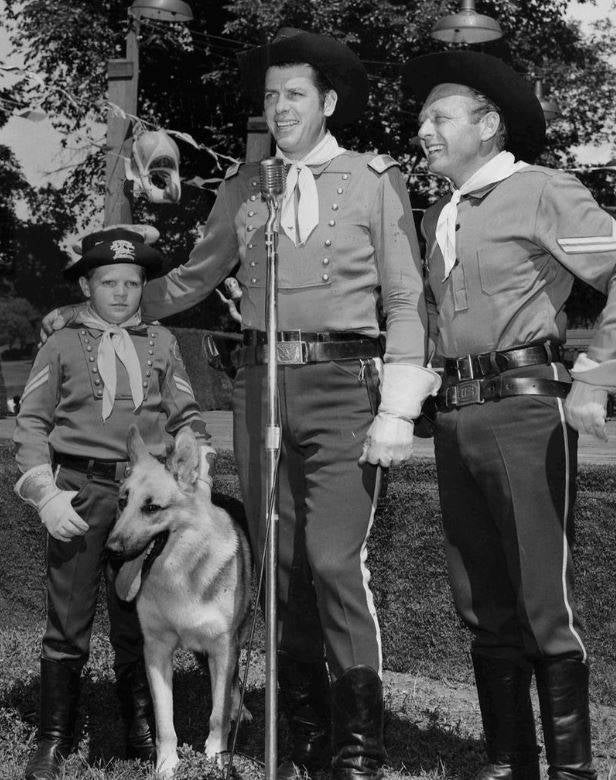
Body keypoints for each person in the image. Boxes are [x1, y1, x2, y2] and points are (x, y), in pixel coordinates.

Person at [42, 28, 439, 780]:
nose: (280, 107)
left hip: (342, 385)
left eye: (295, 94)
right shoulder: (245, 188)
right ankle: (303, 731)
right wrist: (106, 306)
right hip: (261, 387)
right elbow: (192, 279)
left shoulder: (374, 178)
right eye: (270, 96)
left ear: (327, 103)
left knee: (332, 559)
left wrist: (398, 406)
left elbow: (405, 298)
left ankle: (358, 745)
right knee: (279, 563)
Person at [401, 49, 616, 779]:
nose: (424, 131)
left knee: (540, 599)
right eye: (422, 119)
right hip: (457, 417)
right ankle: (509, 762)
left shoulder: (542, 190)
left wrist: (595, 377)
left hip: (526, 413)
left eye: (440, 117)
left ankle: (572, 771)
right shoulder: (438, 214)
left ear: (489, 123)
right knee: (480, 598)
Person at [14, 225, 210, 779]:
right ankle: (54, 737)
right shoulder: (60, 344)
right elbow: (31, 424)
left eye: (131, 282)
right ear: (87, 287)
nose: (121, 293)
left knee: (138, 614)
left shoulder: (163, 343)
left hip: (142, 499)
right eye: (108, 282)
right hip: (81, 492)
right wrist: (45, 493)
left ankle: (141, 729)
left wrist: (195, 462)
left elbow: (186, 415)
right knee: (69, 614)